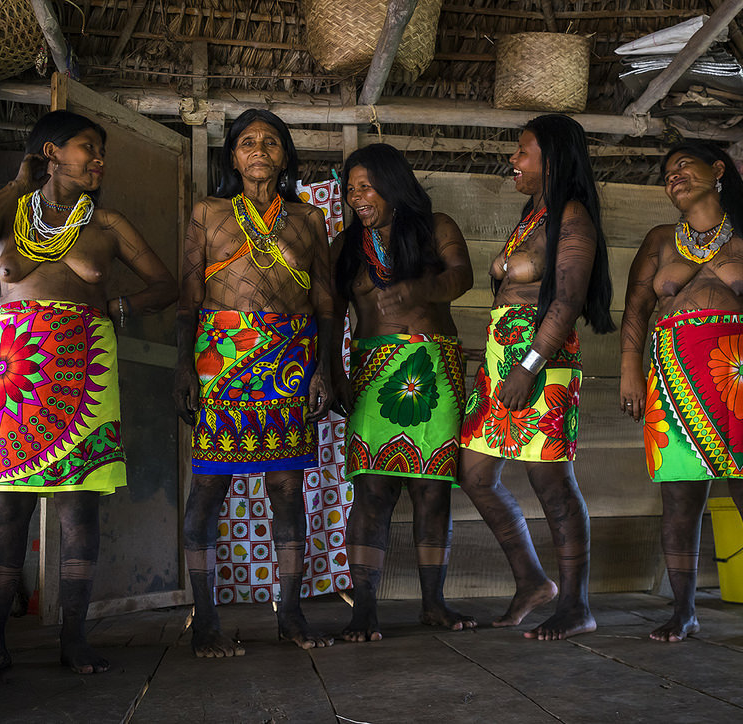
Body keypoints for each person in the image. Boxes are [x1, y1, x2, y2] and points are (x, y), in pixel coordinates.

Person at [0, 110, 178, 678]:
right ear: (49, 153)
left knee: (80, 509)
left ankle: (75, 639)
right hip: (18, 373)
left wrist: (121, 308)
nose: (99, 159)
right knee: (9, 507)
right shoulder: (12, 210)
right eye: (86, 147)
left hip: (86, 370)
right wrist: (17, 185)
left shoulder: (108, 224)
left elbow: (165, 284)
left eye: (101, 150)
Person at [620, 142, 743, 645]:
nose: (673, 176)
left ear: (717, 170)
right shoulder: (660, 239)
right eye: (666, 172)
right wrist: (629, 371)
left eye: (683, 165)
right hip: (674, 376)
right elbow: (637, 308)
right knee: (679, 498)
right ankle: (683, 612)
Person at [174, 109, 335, 656]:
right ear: (233, 156)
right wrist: (182, 368)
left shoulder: (310, 219)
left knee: (288, 489)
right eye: (248, 142)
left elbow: (327, 303)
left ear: (285, 156)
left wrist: (325, 369)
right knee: (208, 489)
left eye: (271, 142)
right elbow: (190, 299)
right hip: (221, 359)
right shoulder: (208, 213)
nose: (259, 149)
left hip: (292, 358)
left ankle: (290, 615)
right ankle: (206, 621)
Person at [458, 114, 614, 640]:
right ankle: (531, 580)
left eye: (523, 152)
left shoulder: (572, 218)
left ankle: (575, 605)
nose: (513, 161)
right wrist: (496, 360)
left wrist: (528, 366)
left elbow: (566, 302)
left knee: (550, 481)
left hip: (541, 362)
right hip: (505, 358)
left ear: (551, 158)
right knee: (475, 473)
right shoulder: (533, 216)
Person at [331, 143, 476, 641]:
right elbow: (330, 316)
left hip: (433, 366)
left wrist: (421, 290)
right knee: (372, 491)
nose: (357, 197)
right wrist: (332, 372)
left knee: (432, 491)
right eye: (350, 189)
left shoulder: (437, 227)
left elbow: (462, 276)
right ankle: (364, 608)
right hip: (372, 370)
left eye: (366, 186)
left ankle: (433, 604)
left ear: (393, 185)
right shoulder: (347, 246)